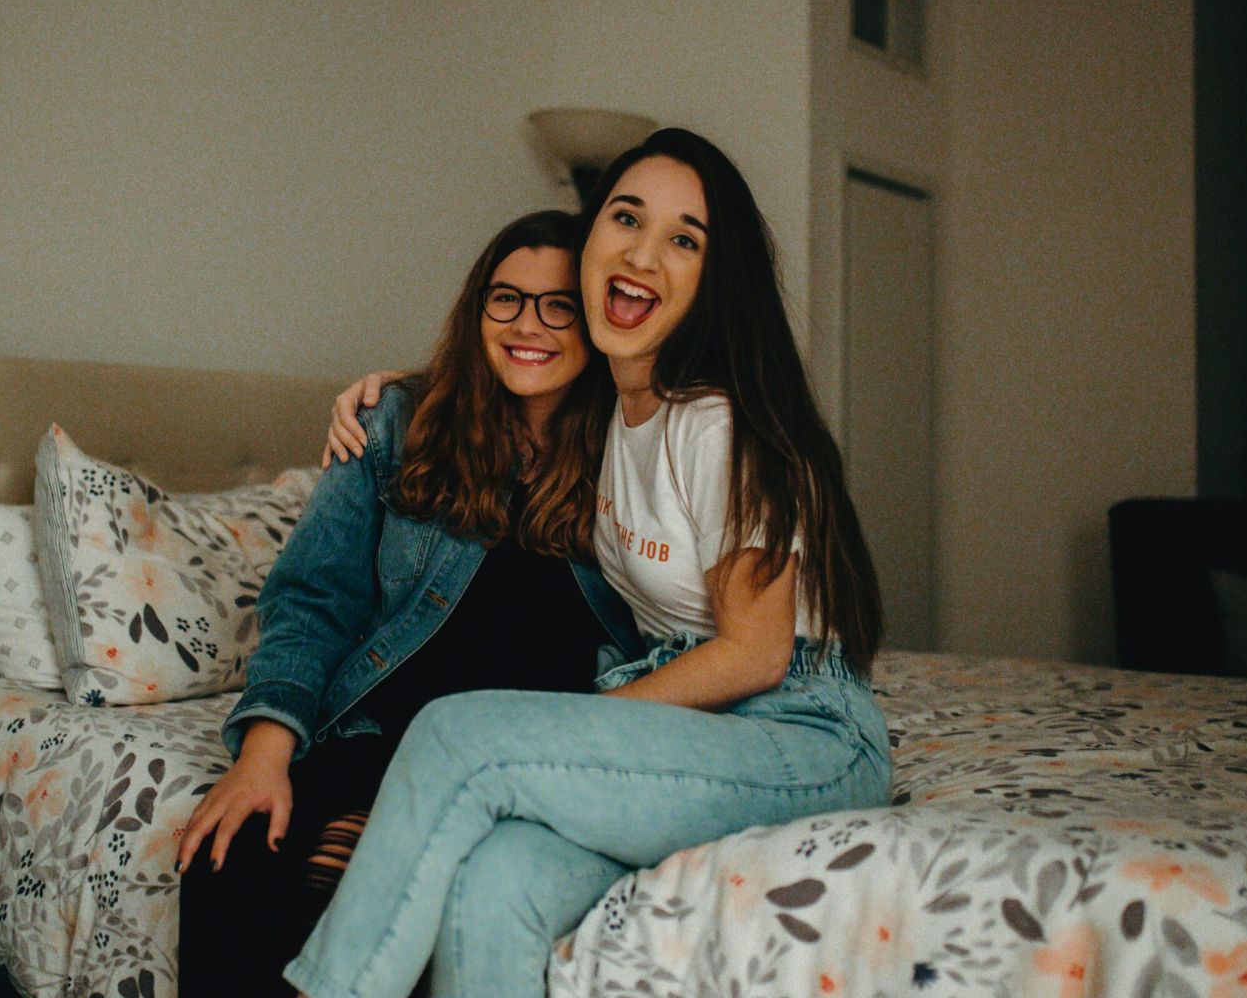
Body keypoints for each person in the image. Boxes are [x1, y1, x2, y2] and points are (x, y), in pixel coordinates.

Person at [297, 127, 892, 998]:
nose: (646, 255)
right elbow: (505, 364)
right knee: (491, 883)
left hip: (798, 732)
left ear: (711, 281)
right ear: (589, 250)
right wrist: (390, 390)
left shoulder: (716, 423)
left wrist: (589, 724)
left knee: (458, 735)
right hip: (706, 730)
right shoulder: (611, 414)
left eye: (684, 239)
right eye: (627, 219)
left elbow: (757, 653)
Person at [172, 209, 644, 996]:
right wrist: (263, 752)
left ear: (596, 320)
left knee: (438, 889)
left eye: (559, 304)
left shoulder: (639, 450)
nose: (529, 324)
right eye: (507, 299)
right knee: (231, 849)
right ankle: (361, 830)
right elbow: (313, 597)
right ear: (476, 311)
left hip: (528, 757)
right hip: (378, 730)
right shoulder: (396, 422)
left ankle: (375, 844)